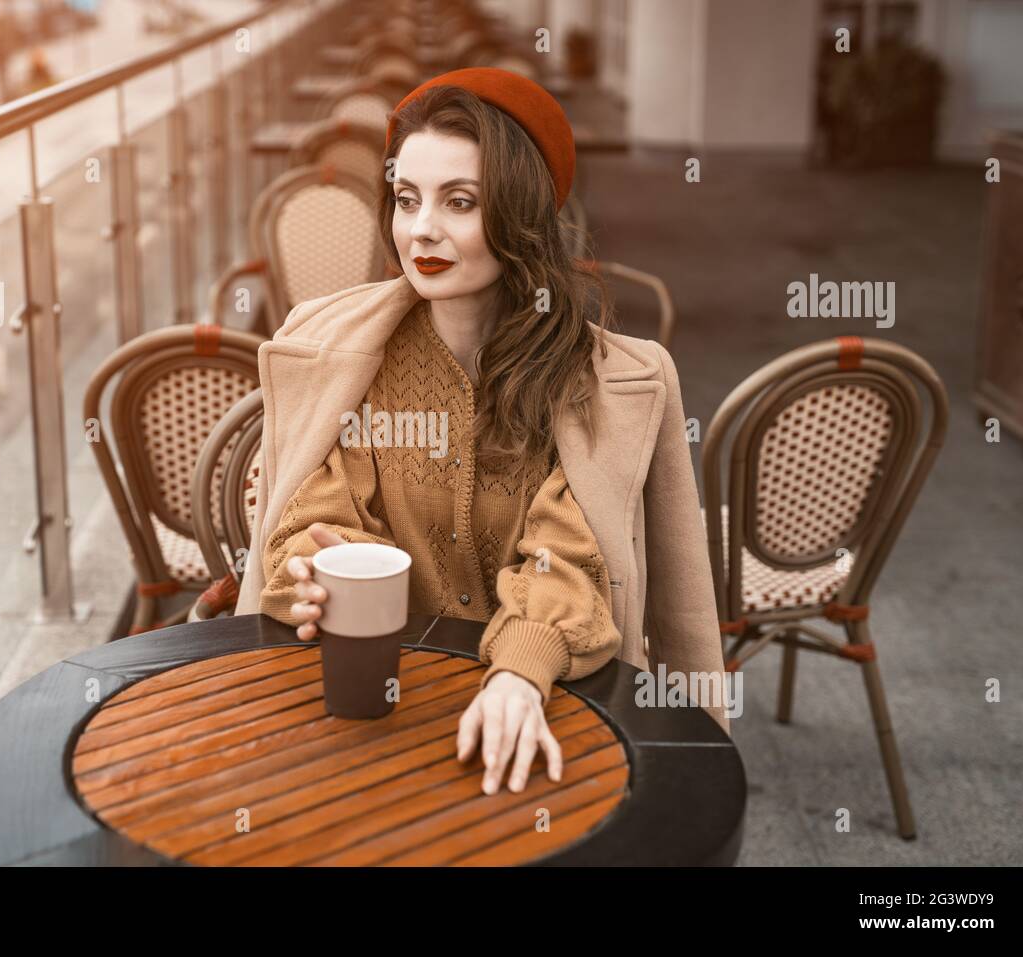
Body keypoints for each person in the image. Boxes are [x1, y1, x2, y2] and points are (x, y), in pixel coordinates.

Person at [233, 67, 728, 796]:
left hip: (552, 707)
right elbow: (316, 517)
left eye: (459, 202)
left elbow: (568, 556)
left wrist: (520, 674)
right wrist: (320, 572)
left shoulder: (598, 379)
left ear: (519, 213)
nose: (421, 228)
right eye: (406, 199)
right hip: (375, 709)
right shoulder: (341, 352)